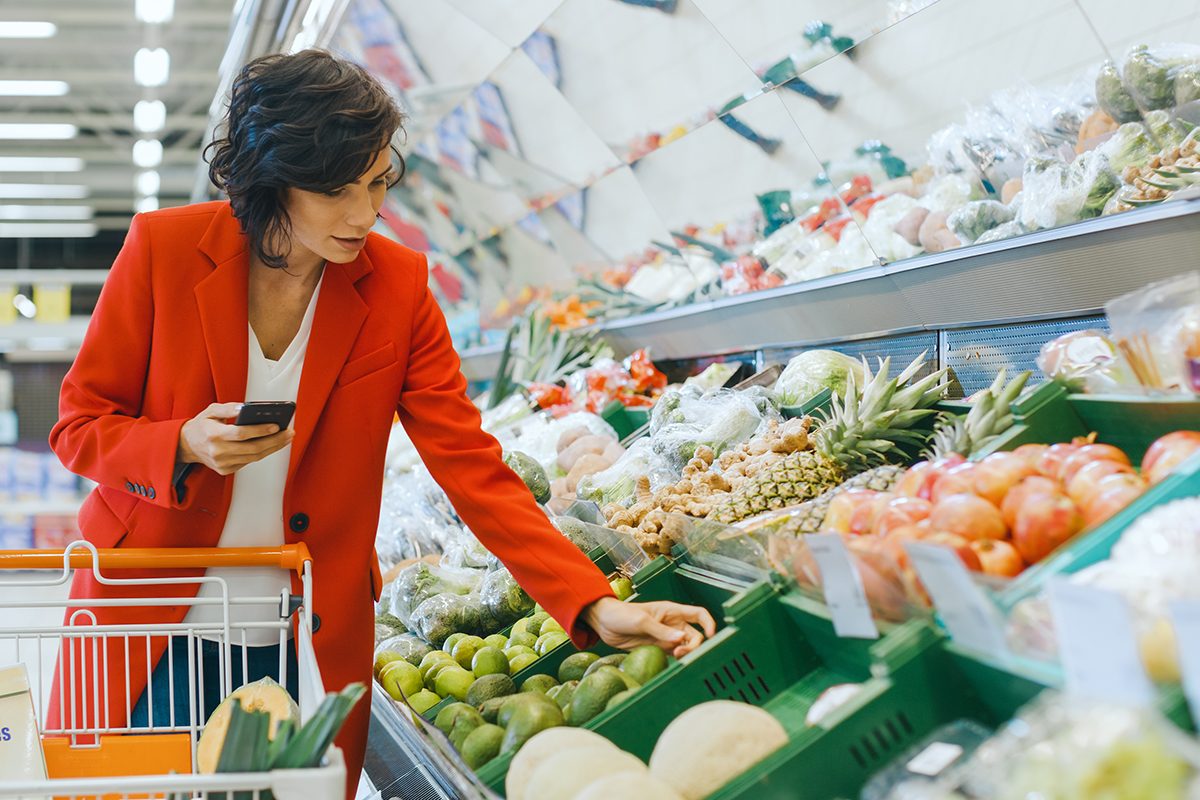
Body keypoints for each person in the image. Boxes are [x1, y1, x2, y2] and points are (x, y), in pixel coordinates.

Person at [48, 49, 715, 797]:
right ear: (272, 179)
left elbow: (470, 465)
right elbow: (80, 424)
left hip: (304, 633)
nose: (364, 214)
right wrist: (180, 442)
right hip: (152, 620)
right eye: (336, 190)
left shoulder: (397, 287)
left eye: (376, 183)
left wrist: (589, 599)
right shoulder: (163, 252)